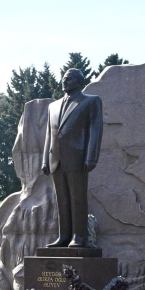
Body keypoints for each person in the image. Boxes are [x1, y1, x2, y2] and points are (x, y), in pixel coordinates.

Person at [41, 68, 104, 247]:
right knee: (62, 200)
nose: (64, 82)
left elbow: (95, 129)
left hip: (77, 158)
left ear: (79, 82)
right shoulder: (52, 106)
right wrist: (45, 159)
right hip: (56, 160)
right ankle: (64, 237)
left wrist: (91, 157)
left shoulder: (91, 101)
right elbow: (49, 134)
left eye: (68, 79)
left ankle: (79, 237)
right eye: (63, 79)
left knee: (78, 198)